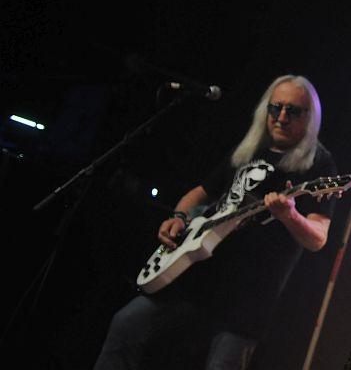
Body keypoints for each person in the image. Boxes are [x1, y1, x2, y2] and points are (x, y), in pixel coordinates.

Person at [95, 75, 337, 370]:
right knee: (126, 325)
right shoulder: (250, 149)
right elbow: (199, 192)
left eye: (293, 111)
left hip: (246, 300)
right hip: (195, 278)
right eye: (275, 108)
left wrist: (290, 215)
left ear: (310, 117)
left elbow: (318, 237)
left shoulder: (319, 164)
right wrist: (178, 218)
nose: (282, 117)